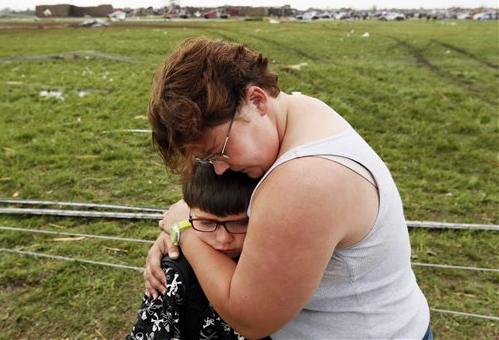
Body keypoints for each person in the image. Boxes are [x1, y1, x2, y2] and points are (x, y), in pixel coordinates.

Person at [144, 38, 432, 339]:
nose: (219, 168)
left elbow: (251, 318)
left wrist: (184, 227)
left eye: (220, 151)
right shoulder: (303, 111)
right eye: (208, 160)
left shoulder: (303, 181)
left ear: (256, 101)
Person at [127, 163, 266, 340]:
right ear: (189, 215)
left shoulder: (273, 260)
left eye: (240, 223)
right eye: (207, 223)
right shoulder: (175, 273)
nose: (223, 239)